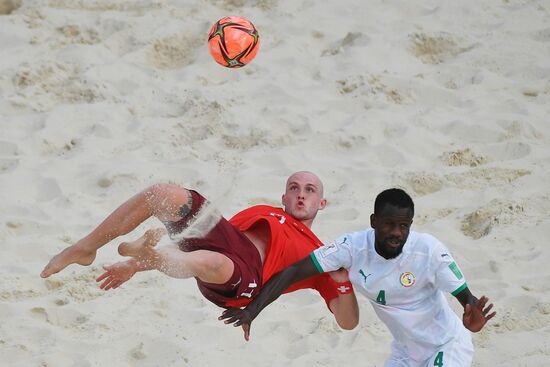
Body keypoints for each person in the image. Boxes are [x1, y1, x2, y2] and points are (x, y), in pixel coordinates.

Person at [40, 171, 359, 330]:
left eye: (310, 190)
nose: (301, 195)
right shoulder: (262, 211)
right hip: (227, 245)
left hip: (244, 281)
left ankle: (151, 255)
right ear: (284, 198)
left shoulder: (322, 256)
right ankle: (85, 248)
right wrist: (133, 268)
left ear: (322, 203)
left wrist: (343, 284)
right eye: (294, 189)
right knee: (163, 194)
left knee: (212, 261)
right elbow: (212, 235)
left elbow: (347, 323)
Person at [220, 188, 496, 366]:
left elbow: (467, 299)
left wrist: (472, 319)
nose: (397, 233)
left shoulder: (429, 251)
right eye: (389, 224)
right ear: (374, 221)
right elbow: (293, 271)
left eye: (404, 226)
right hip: (405, 353)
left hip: (446, 346)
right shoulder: (351, 248)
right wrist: (252, 310)